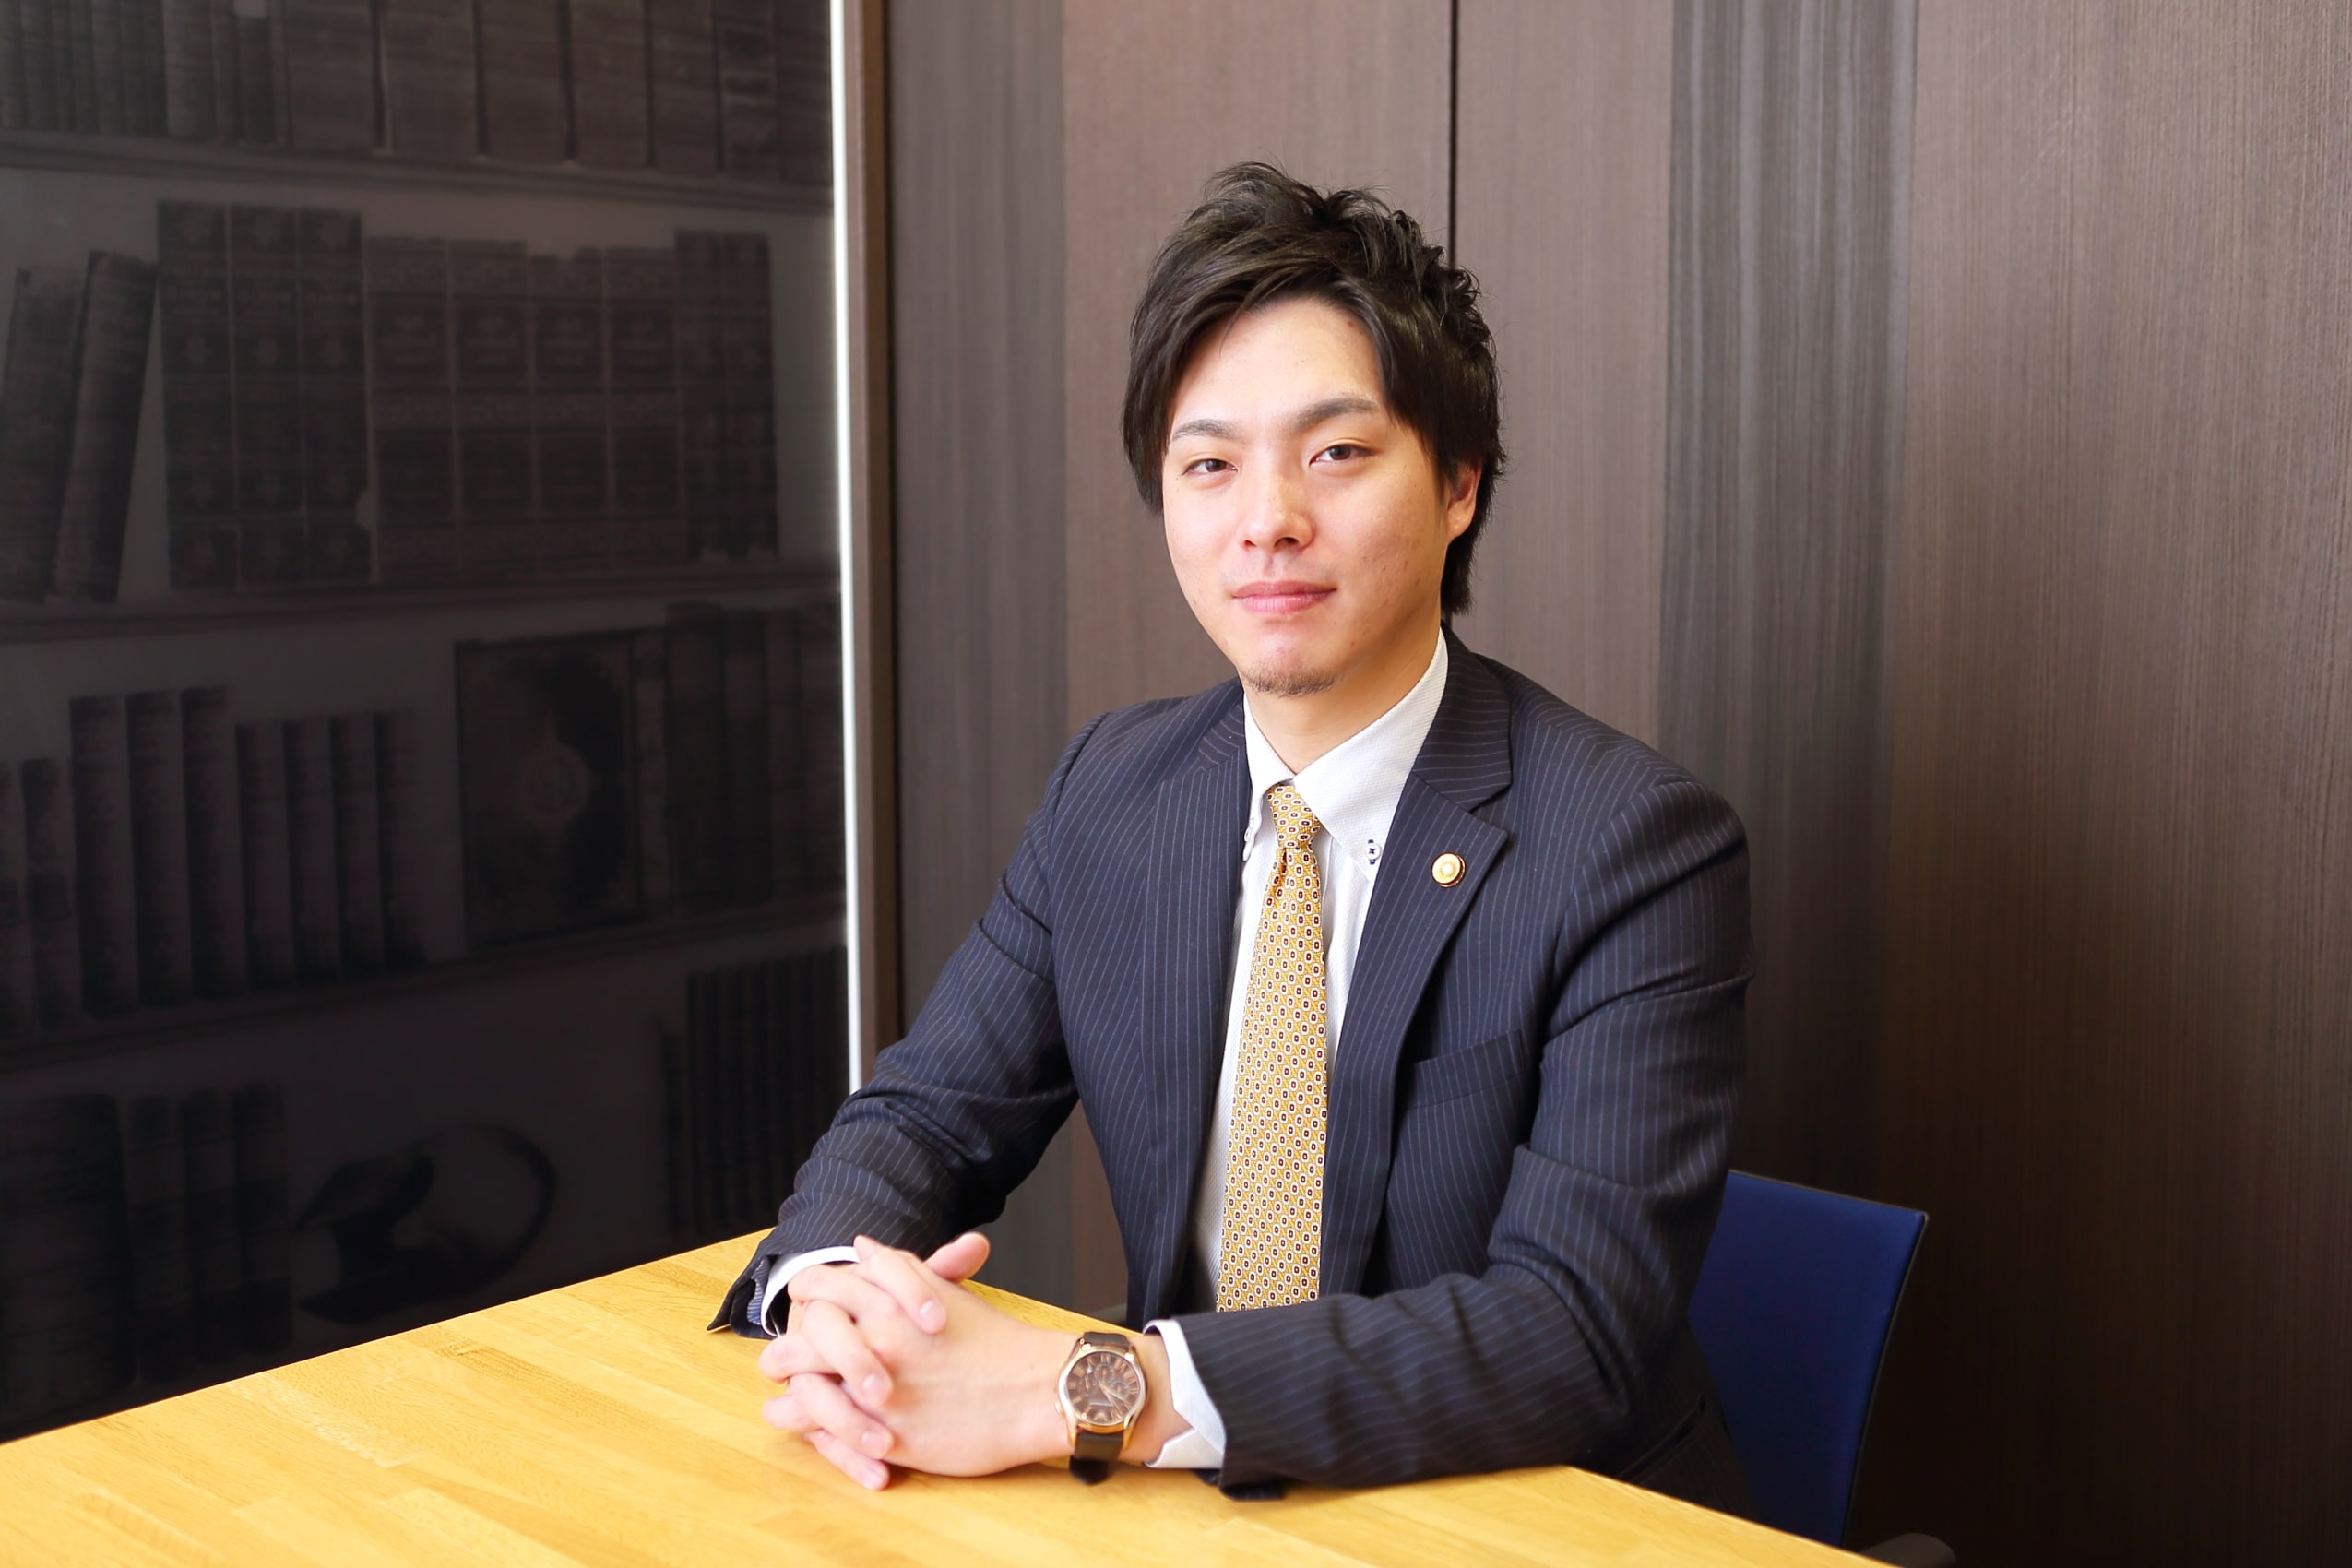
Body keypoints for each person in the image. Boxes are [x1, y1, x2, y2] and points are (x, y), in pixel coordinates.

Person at [712, 162, 1752, 1509]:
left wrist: (1079, 1391)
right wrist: (831, 1303)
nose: (1267, 521)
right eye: (1209, 464)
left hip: (1509, 1513)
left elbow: (1571, 1330)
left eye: (1337, 454)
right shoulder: (1112, 790)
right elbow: (923, 1117)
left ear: (1459, 485)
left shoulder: (1634, 846)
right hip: (1196, 1512)